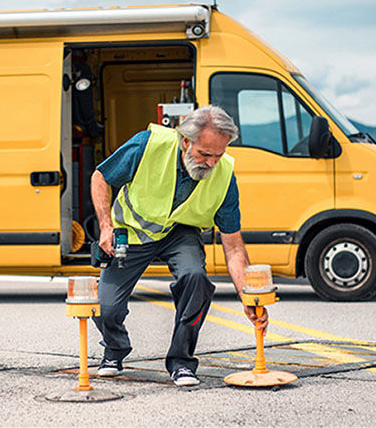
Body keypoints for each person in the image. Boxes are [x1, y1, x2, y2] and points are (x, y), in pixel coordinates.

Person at [90, 105, 268, 387]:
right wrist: (105, 226)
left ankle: (182, 362)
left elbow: (234, 247)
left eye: (219, 155)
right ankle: (114, 350)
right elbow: (101, 176)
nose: (211, 163)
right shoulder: (148, 145)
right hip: (133, 232)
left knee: (195, 278)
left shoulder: (224, 176)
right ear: (186, 141)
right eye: (205, 154)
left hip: (179, 232)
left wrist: (248, 296)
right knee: (105, 305)